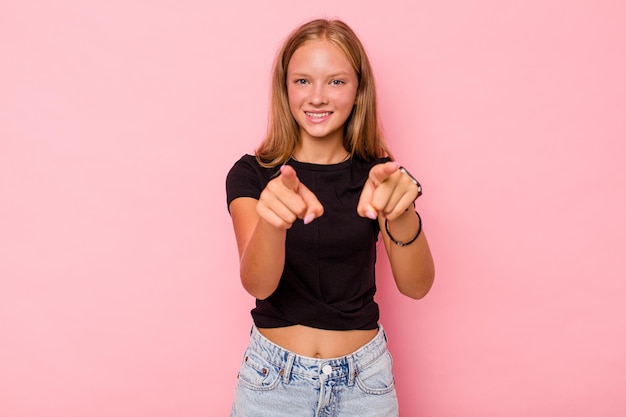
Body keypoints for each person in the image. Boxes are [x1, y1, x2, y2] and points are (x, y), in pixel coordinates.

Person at [225, 18, 435, 416]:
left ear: (359, 91)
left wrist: (402, 214)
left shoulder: (378, 176)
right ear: (285, 88)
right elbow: (259, 284)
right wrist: (274, 220)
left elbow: (416, 286)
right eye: (303, 81)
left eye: (336, 82)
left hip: (365, 384)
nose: (317, 97)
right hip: (273, 384)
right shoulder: (252, 174)